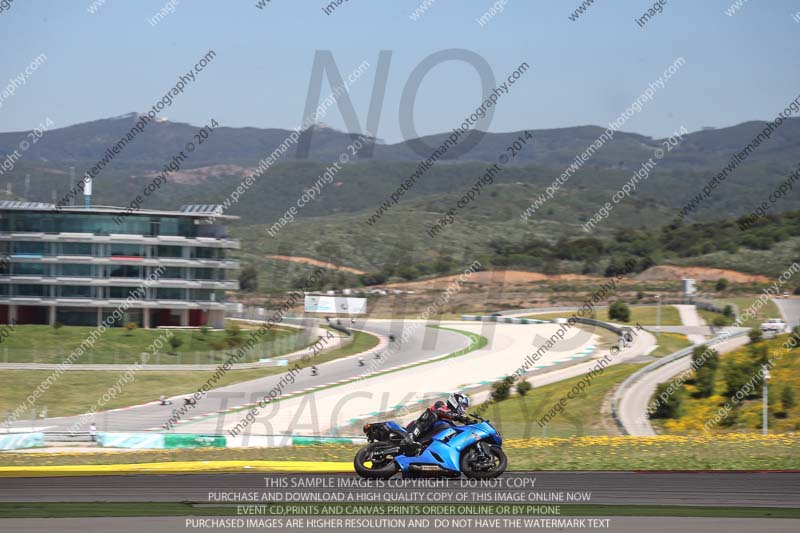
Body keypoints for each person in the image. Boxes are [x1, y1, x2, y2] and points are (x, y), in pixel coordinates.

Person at [401, 393, 470, 455]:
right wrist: (457, 416)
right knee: (432, 415)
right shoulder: (439, 405)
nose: (464, 410)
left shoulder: (449, 424)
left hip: (423, 443)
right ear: (455, 402)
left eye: (465, 408)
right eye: (463, 407)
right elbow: (440, 411)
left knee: (453, 430)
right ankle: (410, 437)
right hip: (412, 429)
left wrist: (469, 425)